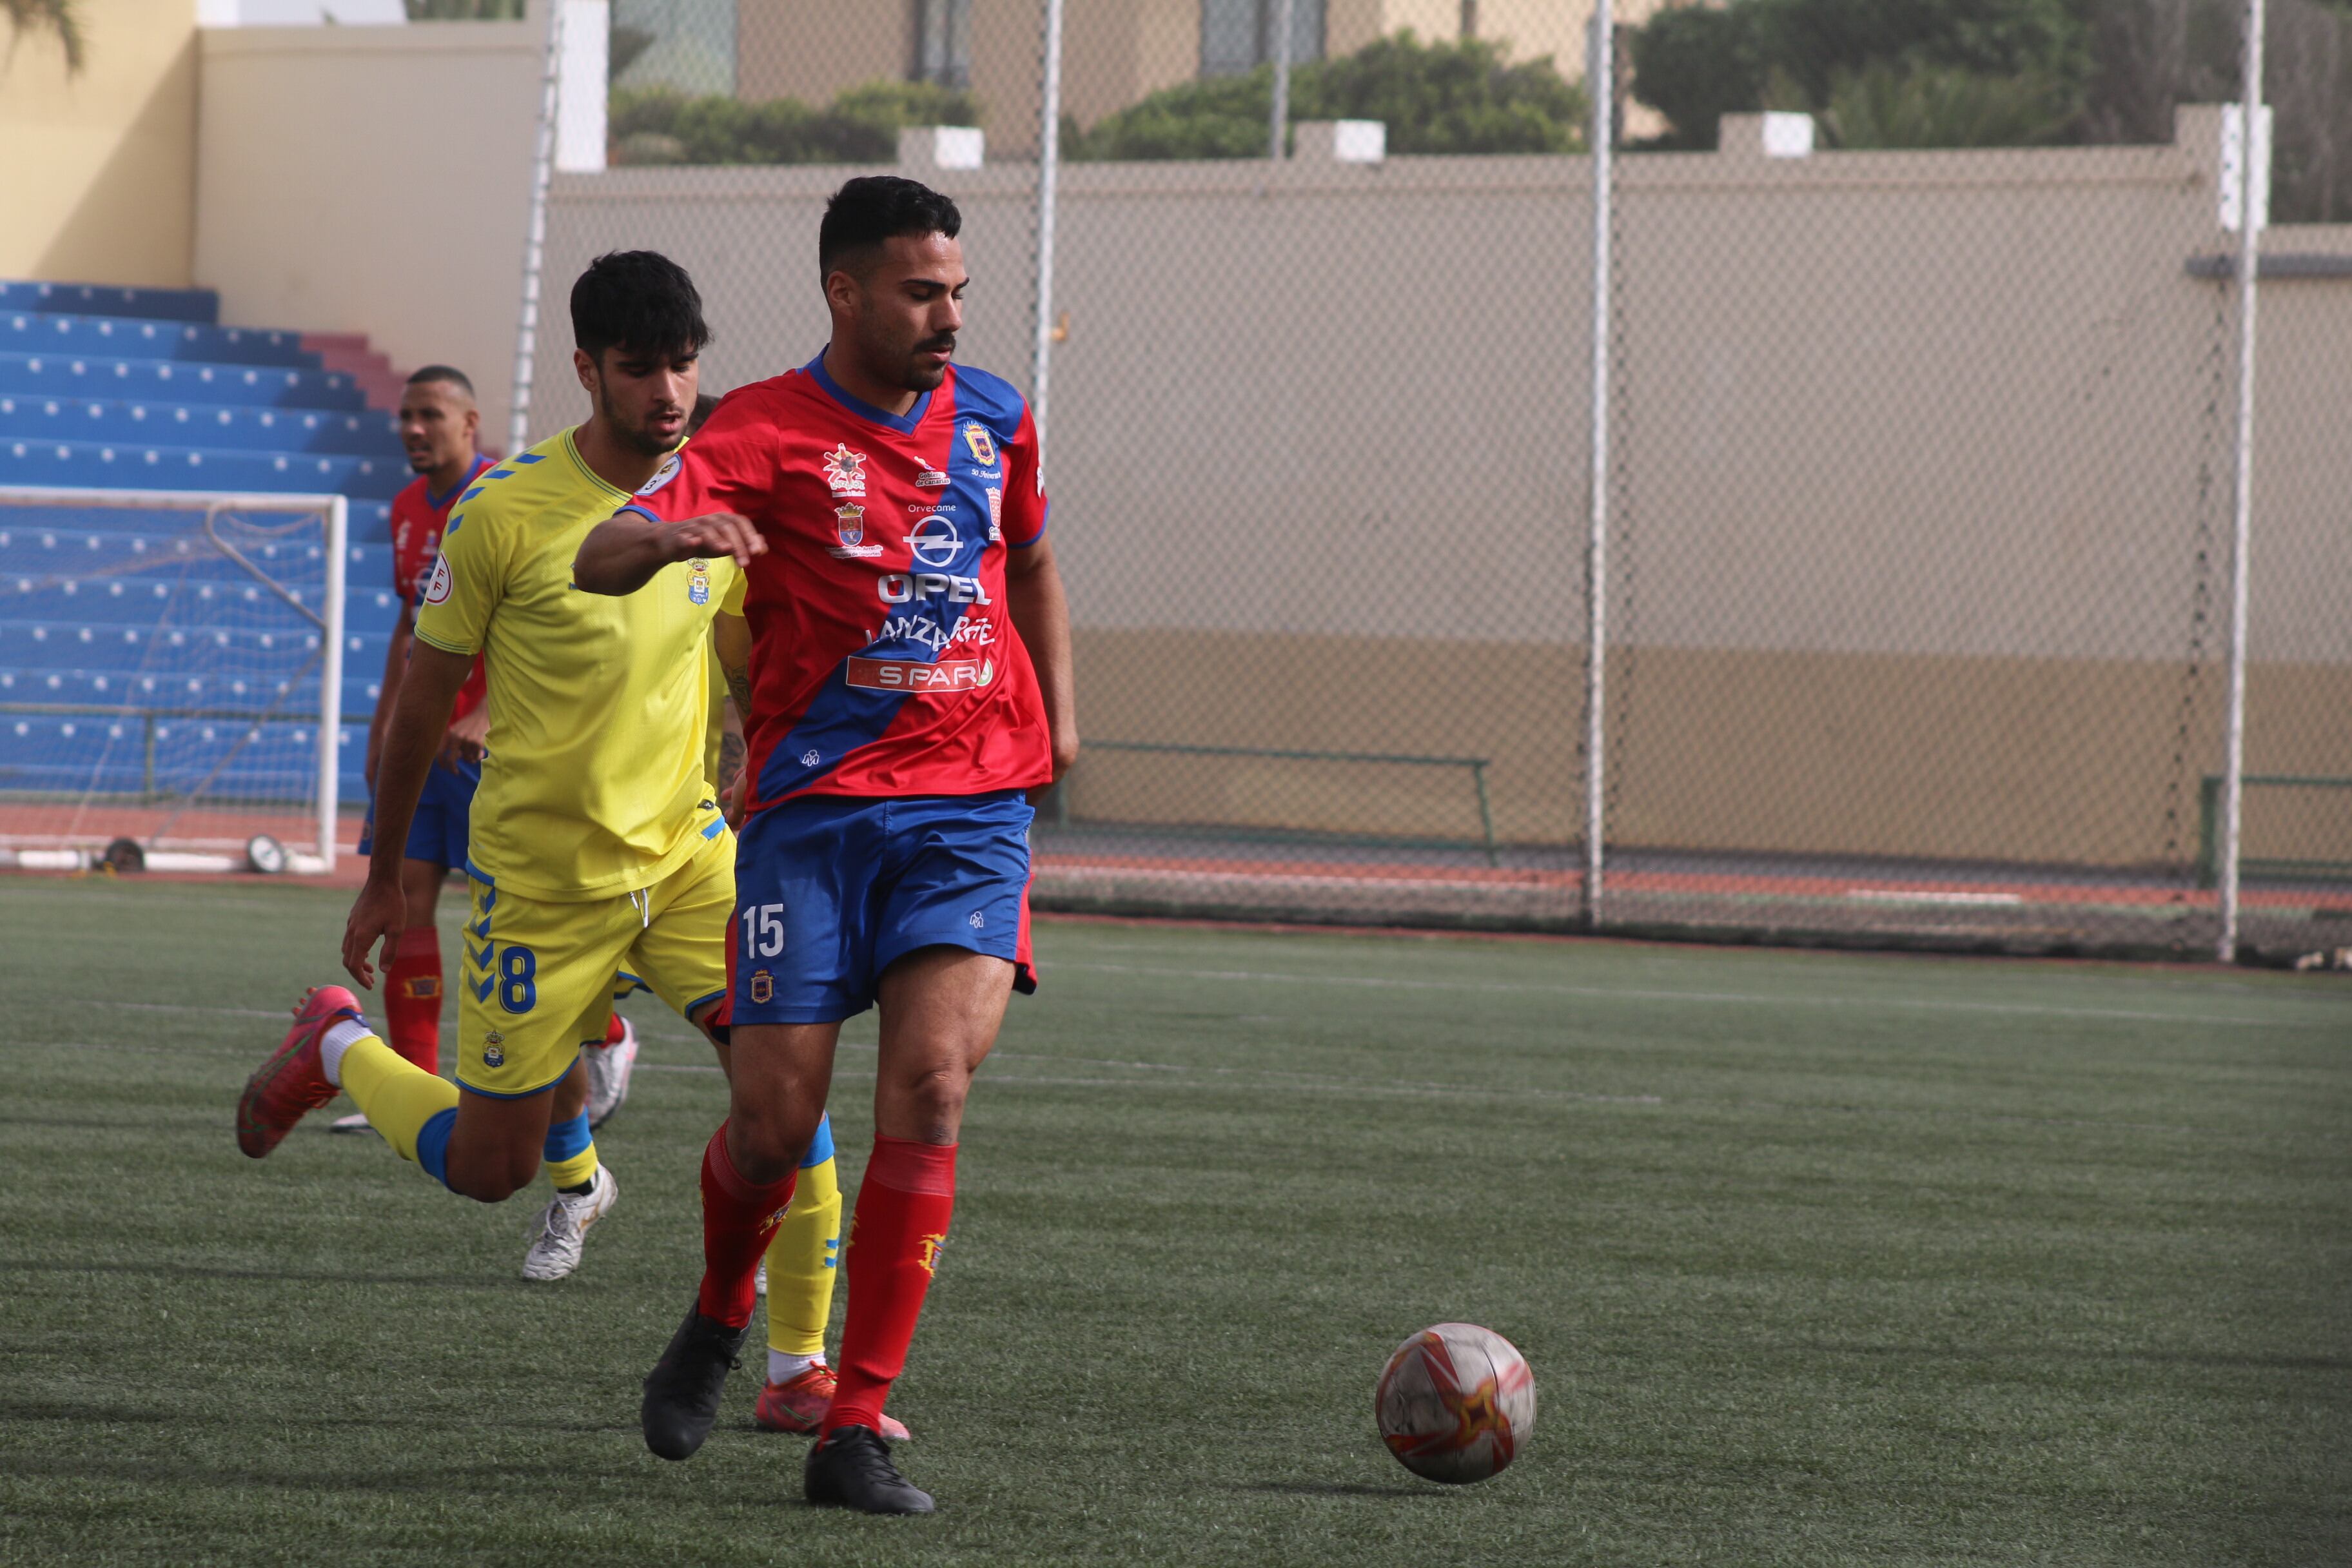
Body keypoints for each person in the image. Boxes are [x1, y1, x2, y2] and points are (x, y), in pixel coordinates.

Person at [575, 175, 1077, 1514]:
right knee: (772, 1117)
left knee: (932, 1085)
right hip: (814, 812)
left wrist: (1061, 716)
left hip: (975, 802)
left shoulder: (996, 419)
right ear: (845, 292)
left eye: (958, 291)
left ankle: (850, 1426)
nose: (949, 316)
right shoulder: (763, 429)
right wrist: (676, 530)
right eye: (923, 291)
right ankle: (719, 1308)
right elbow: (604, 553)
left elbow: (1029, 562)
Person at [235, 253, 759, 1286]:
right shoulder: (501, 512)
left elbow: (739, 655)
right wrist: (384, 872)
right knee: (486, 1169)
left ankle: (802, 1372)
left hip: (686, 859)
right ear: (586, 368)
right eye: (640, 367)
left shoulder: (724, 484)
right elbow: (423, 697)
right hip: (540, 878)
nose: (668, 391)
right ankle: (339, 1046)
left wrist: (752, 755)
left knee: (784, 1095)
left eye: (685, 366)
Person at [349, 366, 642, 1148]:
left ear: (470, 422)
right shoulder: (407, 509)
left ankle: (606, 1032)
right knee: (407, 885)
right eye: (406, 415)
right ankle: (417, 1072)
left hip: (502, 746)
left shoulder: (509, 496)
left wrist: (481, 708)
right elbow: (414, 629)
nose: (414, 428)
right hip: (427, 738)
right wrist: (383, 727)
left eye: (430, 414)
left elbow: (549, 626)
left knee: (516, 922)